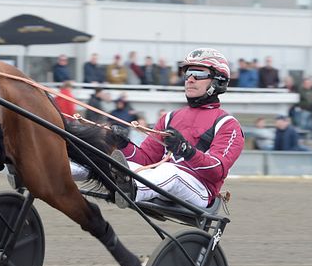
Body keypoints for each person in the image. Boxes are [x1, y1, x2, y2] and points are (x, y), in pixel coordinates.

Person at [86, 48, 245, 209]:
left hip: (201, 191)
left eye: (199, 74)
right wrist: (123, 145)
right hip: (163, 181)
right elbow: (146, 160)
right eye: (188, 73)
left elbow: (217, 170)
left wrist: (186, 150)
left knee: (170, 170)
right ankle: (65, 172)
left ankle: (131, 190)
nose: (190, 79)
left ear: (218, 81)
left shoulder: (227, 124)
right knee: (119, 164)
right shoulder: (170, 117)